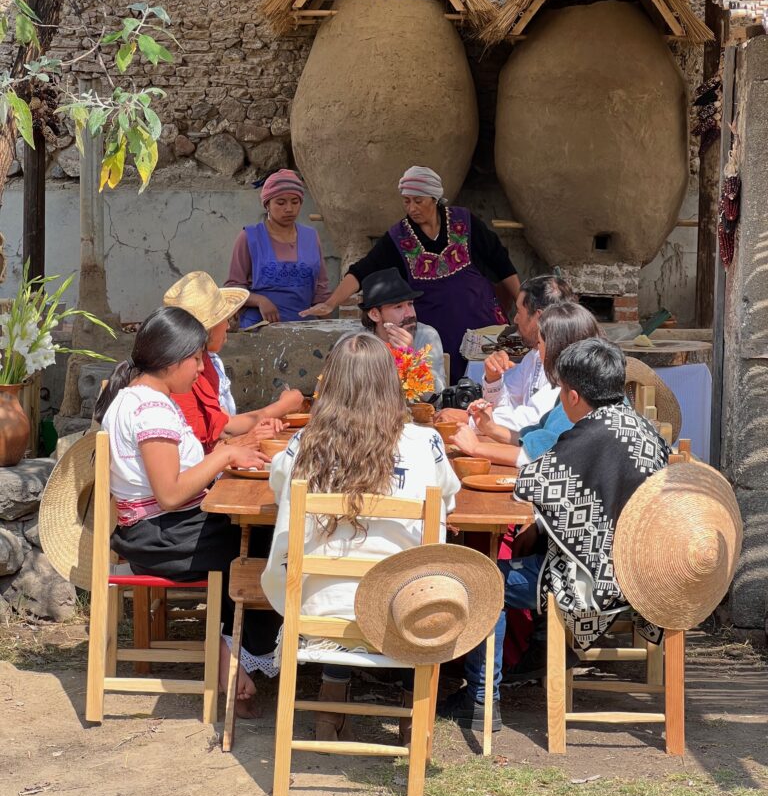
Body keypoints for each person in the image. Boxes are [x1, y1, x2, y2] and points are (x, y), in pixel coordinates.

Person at [439, 338, 670, 731]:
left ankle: (480, 699)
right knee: (522, 549)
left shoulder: (590, 435)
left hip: (599, 582)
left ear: (573, 395)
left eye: (562, 391)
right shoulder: (641, 428)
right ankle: (530, 652)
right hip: (643, 571)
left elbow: (531, 486)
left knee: (485, 579)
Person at [262, 332, 460, 742]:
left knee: (339, 574)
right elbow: (449, 497)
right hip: (399, 611)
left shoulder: (304, 443)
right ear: (391, 383)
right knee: (408, 571)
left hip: (317, 609)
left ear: (331, 383)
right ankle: (411, 713)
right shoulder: (426, 442)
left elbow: (279, 485)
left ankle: (329, 705)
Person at [94, 307, 273, 716]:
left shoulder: (137, 397)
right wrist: (223, 456)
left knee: (249, 530)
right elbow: (171, 494)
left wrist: (227, 454)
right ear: (172, 359)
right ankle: (239, 655)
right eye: (195, 359)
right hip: (161, 538)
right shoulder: (150, 409)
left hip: (158, 531)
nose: (201, 368)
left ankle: (230, 647)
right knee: (264, 536)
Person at [299, 166, 520, 381]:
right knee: (443, 385)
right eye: (406, 201)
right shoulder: (399, 237)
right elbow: (362, 270)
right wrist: (331, 302)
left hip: (480, 322)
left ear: (434, 198)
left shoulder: (464, 221)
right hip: (439, 331)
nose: (412, 207)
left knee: (492, 378)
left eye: (418, 200)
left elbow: (501, 263)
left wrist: (521, 303)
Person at [164, 271, 304, 453]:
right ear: (209, 329)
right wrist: (283, 407)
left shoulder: (207, 361)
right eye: (225, 319)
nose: (228, 326)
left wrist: (259, 428)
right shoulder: (182, 374)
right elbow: (221, 432)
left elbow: (221, 423)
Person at [450, 302, 601, 468]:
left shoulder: (580, 397)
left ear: (555, 348)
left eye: (540, 343)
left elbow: (537, 456)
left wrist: (475, 448)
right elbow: (535, 435)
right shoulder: (580, 384)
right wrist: (491, 428)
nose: (537, 349)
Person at [437, 273, 574, 428]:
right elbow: (507, 407)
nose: (515, 319)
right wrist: (493, 378)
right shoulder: (533, 355)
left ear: (539, 317)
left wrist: (469, 419)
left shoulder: (567, 362)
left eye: (519, 312)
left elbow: (534, 421)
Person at [226, 168, 331, 325]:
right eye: (280, 203)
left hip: (304, 326)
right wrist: (260, 300)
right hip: (259, 326)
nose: (289, 209)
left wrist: (328, 326)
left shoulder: (311, 236)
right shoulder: (249, 237)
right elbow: (233, 289)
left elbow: (321, 289)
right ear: (267, 204)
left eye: (295, 202)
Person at [359, 268, 446, 396]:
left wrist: (412, 358)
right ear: (375, 314)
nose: (410, 314)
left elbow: (437, 397)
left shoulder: (426, 336)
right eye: (398, 307)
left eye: (410, 304)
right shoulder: (355, 344)